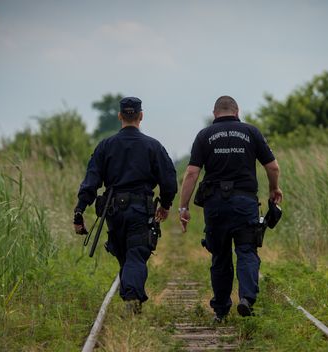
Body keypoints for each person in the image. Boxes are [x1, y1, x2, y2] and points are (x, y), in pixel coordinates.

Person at [178, 95, 282, 322]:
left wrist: (183, 207)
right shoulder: (251, 132)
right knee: (246, 251)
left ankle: (221, 310)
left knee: (220, 256)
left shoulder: (204, 135)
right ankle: (246, 299)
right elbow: (273, 167)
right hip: (245, 204)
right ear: (237, 112)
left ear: (215, 113)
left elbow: (192, 173)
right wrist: (274, 189)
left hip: (215, 205)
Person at [73, 96, 177, 313]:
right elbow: (169, 180)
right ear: (141, 116)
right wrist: (165, 205)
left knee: (126, 254)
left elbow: (91, 180)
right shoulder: (153, 146)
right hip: (140, 210)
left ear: (120, 116)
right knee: (136, 254)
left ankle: (133, 299)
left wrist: (80, 209)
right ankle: (131, 298)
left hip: (114, 211)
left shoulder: (105, 146)